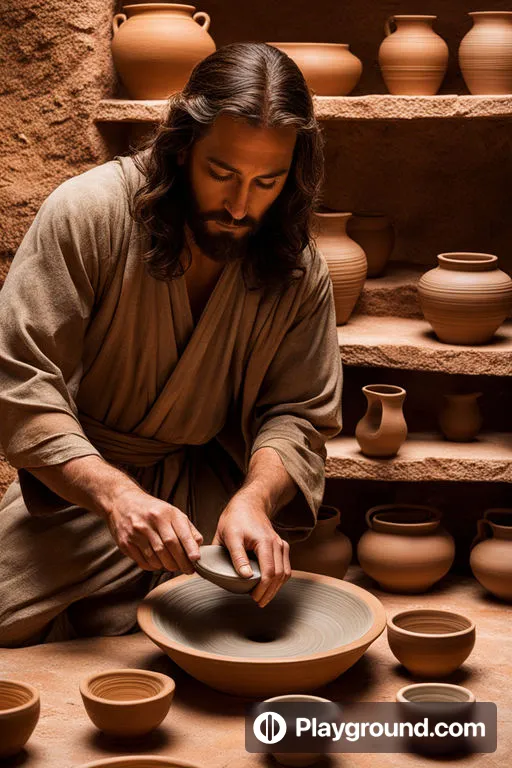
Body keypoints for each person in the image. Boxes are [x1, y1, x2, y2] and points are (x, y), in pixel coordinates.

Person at [0, 42, 342, 648]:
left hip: (209, 501)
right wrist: (116, 497)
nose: (241, 206)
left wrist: (255, 501)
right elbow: (19, 377)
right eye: (221, 173)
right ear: (182, 145)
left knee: (245, 623)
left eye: (268, 181)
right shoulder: (90, 213)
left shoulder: (295, 263)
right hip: (89, 487)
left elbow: (298, 413)